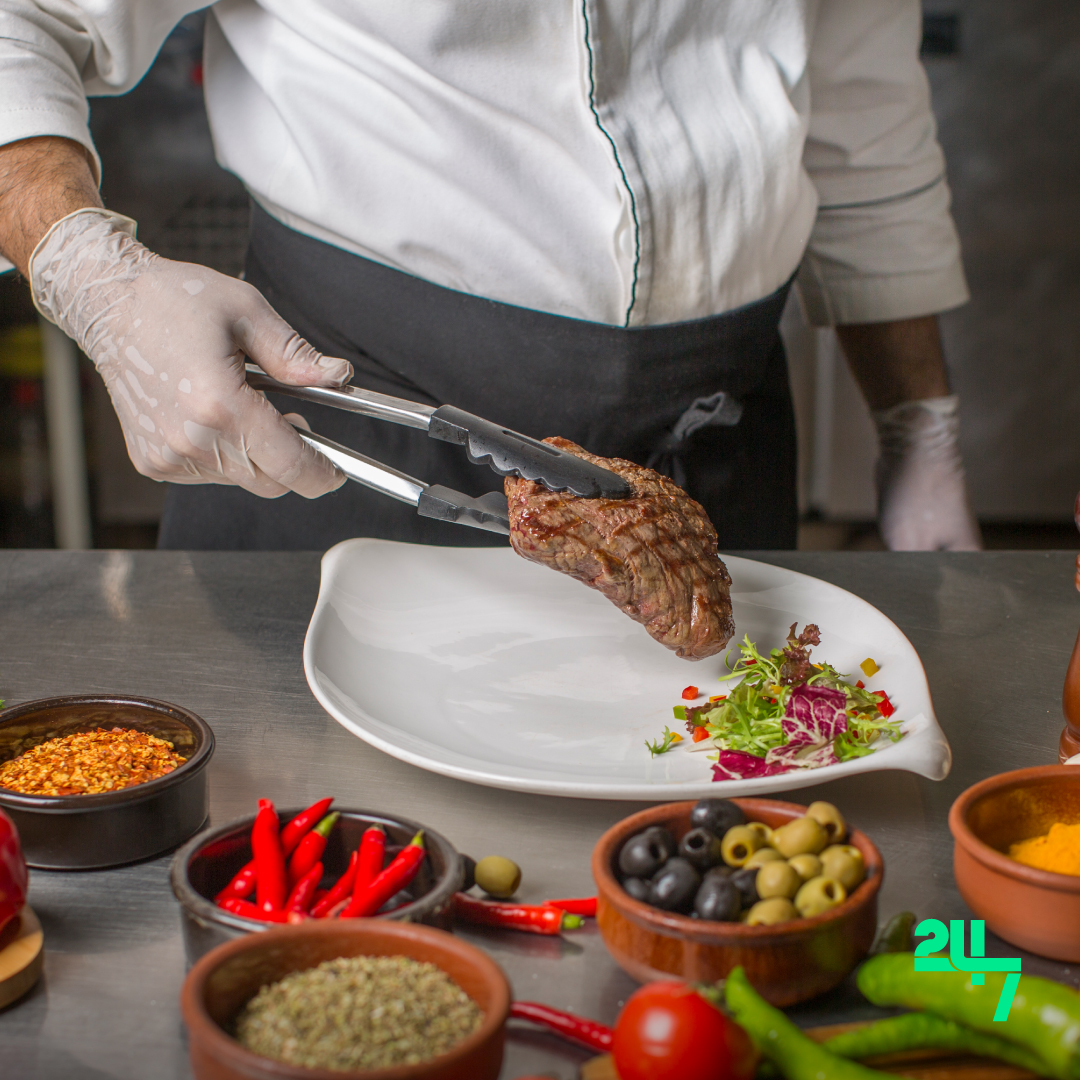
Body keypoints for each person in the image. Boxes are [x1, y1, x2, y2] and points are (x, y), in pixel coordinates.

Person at [0, 1, 981, 552]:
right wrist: (91, 273)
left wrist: (918, 430)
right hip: (347, 449)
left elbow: (858, 105)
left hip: (711, 468)